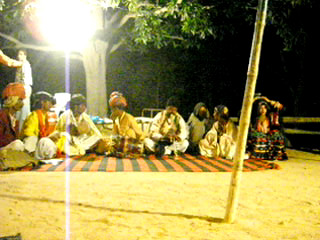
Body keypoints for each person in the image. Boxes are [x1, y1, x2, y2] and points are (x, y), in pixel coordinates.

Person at [247, 95, 288, 160]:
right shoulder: (254, 118)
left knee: (277, 135)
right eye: (261, 108)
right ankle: (258, 155)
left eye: (264, 108)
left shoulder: (270, 117)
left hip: (268, 135)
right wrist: (253, 100)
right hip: (259, 134)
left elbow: (282, 108)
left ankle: (277, 154)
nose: (263, 110)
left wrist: (268, 101)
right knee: (257, 136)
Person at [20, 91, 58, 159]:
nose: (51, 105)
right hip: (33, 146)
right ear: (42, 102)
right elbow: (28, 134)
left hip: (40, 144)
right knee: (33, 139)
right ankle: (28, 158)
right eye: (49, 102)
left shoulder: (47, 116)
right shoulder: (33, 116)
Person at [0, 83, 25, 151]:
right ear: (12, 100)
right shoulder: (2, 116)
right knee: (18, 145)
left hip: (6, 151)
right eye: (20, 100)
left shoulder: (15, 120)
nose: (22, 103)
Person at [15, 49, 33, 131]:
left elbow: (25, 80)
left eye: (21, 54)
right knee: (19, 112)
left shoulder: (25, 65)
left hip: (24, 89)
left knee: (23, 112)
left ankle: (21, 132)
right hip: (20, 90)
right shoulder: (20, 65)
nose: (19, 56)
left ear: (25, 56)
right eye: (18, 54)